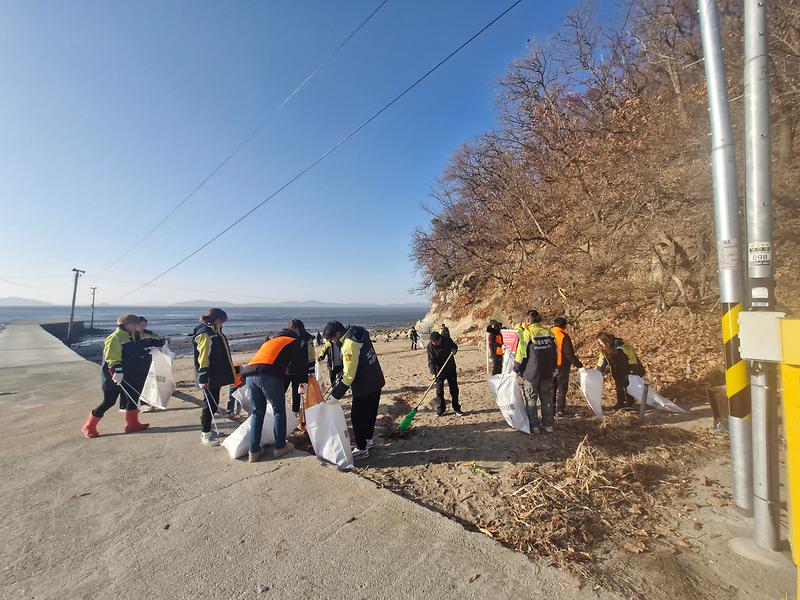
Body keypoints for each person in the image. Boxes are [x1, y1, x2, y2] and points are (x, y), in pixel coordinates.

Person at [240, 325, 309, 463]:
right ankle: (280, 447)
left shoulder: (271, 341)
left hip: (249, 374)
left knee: (257, 412)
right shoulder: (293, 341)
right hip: (268, 375)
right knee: (278, 411)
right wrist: (302, 381)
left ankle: (254, 451)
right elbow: (298, 364)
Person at [324, 320, 385, 461]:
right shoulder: (358, 331)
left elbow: (349, 376)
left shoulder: (349, 345)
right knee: (370, 413)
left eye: (332, 339)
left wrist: (335, 396)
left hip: (364, 385)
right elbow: (358, 359)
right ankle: (368, 440)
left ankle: (361, 448)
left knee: (357, 418)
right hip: (376, 379)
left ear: (338, 334)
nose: (332, 342)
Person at [82, 314, 150, 438]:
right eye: (134, 324)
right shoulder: (115, 338)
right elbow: (111, 357)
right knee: (109, 401)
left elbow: (136, 351)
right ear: (126, 325)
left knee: (133, 398)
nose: (137, 326)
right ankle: (89, 426)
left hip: (130, 374)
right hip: (114, 376)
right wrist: (117, 371)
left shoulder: (132, 336)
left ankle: (132, 424)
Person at [192, 308, 236, 447]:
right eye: (222, 322)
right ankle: (205, 434)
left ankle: (208, 430)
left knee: (213, 402)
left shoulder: (214, 331)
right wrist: (203, 378)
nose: (222, 324)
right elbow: (203, 357)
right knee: (209, 404)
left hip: (216, 374)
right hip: (209, 375)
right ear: (217, 320)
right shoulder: (206, 334)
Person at [514, 310, 557, 434]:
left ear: (528, 320)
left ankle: (534, 426)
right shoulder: (549, 333)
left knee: (531, 400)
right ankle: (548, 425)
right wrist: (554, 367)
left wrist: (516, 369)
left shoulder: (526, 333)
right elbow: (555, 352)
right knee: (546, 399)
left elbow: (521, 355)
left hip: (531, 373)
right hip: (547, 372)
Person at [597, 332, 646, 410]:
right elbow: (602, 361)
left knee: (627, 384)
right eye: (599, 343)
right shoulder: (604, 349)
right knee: (618, 385)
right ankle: (620, 402)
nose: (601, 344)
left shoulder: (621, 345)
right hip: (616, 368)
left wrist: (631, 370)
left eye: (602, 342)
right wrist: (598, 372)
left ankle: (630, 402)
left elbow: (631, 357)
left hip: (628, 367)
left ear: (607, 340)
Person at [132, 316, 168, 413]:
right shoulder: (131, 335)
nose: (142, 327)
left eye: (144, 325)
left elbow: (159, 340)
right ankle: (139, 404)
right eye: (140, 325)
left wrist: (165, 341)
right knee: (139, 383)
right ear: (135, 325)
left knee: (148, 382)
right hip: (135, 362)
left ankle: (146, 403)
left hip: (147, 361)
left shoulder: (149, 333)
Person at [550, 317, 584, 417]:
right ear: (564, 326)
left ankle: (551, 409)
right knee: (562, 389)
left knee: (552, 388)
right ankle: (560, 410)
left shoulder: (547, 333)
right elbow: (569, 354)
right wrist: (579, 366)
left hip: (549, 365)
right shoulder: (564, 336)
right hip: (561, 366)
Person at [427, 331, 461, 417]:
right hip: (439, 371)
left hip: (450, 368)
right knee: (439, 391)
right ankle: (441, 409)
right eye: (433, 342)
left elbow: (455, 347)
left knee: (454, 389)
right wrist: (433, 373)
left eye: (436, 342)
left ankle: (456, 408)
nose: (434, 343)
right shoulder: (430, 346)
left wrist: (454, 350)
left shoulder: (447, 340)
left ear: (440, 339)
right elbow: (431, 361)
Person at [288, 319, 316, 417]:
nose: (295, 330)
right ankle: (295, 412)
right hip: (291, 371)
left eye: (296, 328)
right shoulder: (289, 338)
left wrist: (312, 371)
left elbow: (311, 356)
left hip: (303, 370)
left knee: (303, 391)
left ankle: (306, 412)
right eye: (292, 328)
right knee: (295, 392)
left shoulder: (307, 339)